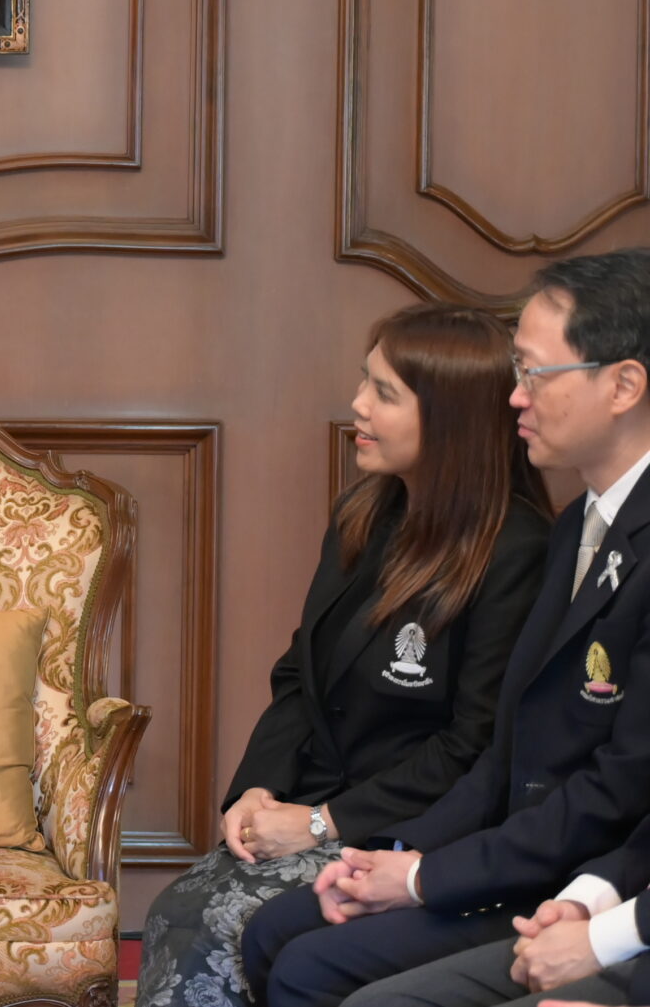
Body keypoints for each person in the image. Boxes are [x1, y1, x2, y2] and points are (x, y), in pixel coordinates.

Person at [243, 249, 650, 1007]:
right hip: (532, 858)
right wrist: (403, 854)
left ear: (624, 385)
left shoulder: (545, 538)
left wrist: (426, 874)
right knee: (276, 932)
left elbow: (619, 784)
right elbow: (508, 751)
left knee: (311, 967)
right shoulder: (577, 526)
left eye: (534, 373)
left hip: (575, 873)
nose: (514, 397)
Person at [135, 304, 553, 1007]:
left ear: (451, 419)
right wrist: (255, 790)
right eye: (365, 381)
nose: (358, 404)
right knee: (179, 908)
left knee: (214, 919)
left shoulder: (516, 551)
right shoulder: (364, 513)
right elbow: (300, 674)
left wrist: (323, 822)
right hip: (311, 805)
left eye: (384, 392)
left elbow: (473, 747)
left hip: (412, 831)